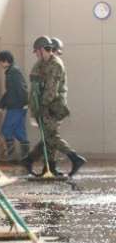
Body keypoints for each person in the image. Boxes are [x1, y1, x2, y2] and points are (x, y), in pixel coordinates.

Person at [22, 36, 86, 177]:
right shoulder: (40, 64)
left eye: (37, 51)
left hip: (52, 107)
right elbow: (34, 87)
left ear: (42, 49)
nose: (36, 54)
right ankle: (47, 168)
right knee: (48, 137)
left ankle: (73, 158)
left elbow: (51, 90)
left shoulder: (55, 64)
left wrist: (41, 108)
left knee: (50, 137)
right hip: (41, 106)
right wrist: (33, 108)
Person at [0, 50, 29, 162]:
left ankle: (11, 157)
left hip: (16, 107)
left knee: (7, 129)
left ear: (5, 61)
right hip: (18, 106)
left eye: (0, 62)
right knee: (20, 131)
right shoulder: (12, 71)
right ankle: (26, 158)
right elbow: (10, 91)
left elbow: (21, 89)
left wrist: (25, 102)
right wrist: (2, 105)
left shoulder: (13, 72)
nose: (0, 64)